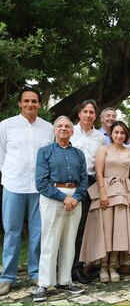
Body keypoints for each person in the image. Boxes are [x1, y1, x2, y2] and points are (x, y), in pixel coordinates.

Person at [0, 87, 54, 295]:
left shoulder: (48, 127)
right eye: (26, 101)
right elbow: (1, 153)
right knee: (12, 231)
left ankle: (35, 272)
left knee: (37, 233)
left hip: (39, 188)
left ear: (40, 104)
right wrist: (8, 174)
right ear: (20, 104)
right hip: (14, 185)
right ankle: (8, 277)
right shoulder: (6, 126)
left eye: (34, 101)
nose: (30, 104)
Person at [80, 121, 130, 282]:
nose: (119, 135)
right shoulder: (104, 150)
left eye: (122, 133)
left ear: (126, 135)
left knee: (119, 230)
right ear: (111, 134)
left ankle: (113, 265)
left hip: (124, 191)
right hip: (107, 191)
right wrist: (102, 192)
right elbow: (99, 172)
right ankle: (102, 266)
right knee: (105, 229)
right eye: (116, 132)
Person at [32, 116, 87, 302]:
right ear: (54, 130)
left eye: (67, 126)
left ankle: (65, 280)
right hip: (52, 197)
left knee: (69, 240)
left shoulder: (79, 154)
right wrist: (64, 198)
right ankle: (44, 284)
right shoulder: (45, 152)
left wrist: (76, 198)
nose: (63, 128)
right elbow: (41, 182)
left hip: (75, 199)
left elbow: (84, 180)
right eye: (60, 126)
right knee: (50, 240)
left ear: (72, 131)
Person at [70, 99, 104, 284]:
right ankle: (61, 267)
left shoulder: (99, 137)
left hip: (89, 182)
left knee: (82, 227)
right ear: (79, 114)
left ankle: (77, 268)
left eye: (92, 112)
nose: (88, 115)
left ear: (95, 116)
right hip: (68, 182)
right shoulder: (70, 131)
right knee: (66, 226)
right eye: (86, 112)